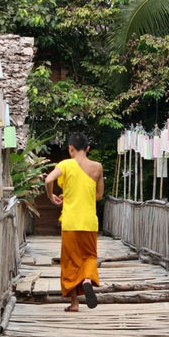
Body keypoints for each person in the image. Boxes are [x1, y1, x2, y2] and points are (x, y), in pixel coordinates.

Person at [44, 133, 104, 312]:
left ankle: (74, 304)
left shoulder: (66, 164)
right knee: (89, 257)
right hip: (89, 222)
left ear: (70, 148)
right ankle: (87, 278)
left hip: (70, 223)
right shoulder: (97, 167)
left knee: (70, 263)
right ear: (87, 149)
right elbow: (99, 196)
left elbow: (48, 179)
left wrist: (51, 196)